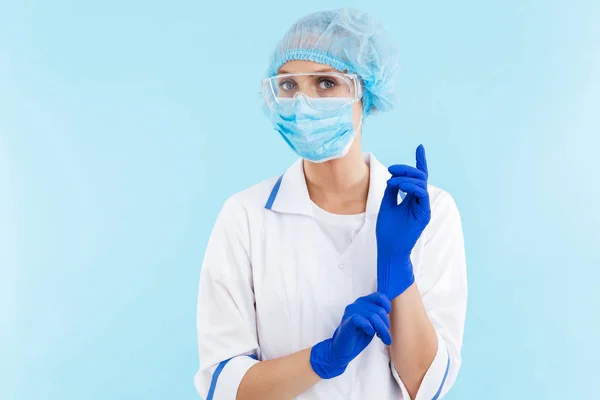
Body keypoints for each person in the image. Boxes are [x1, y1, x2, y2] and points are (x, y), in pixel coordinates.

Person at [194, 7, 467, 400]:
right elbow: (224, 385)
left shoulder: (430, 213)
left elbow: (425, 385)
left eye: (325, 83)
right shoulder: (245, 217)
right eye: (288, 86)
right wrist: (322, 359)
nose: (303, 103)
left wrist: (396, 263)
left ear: (365, 93)